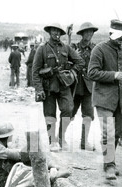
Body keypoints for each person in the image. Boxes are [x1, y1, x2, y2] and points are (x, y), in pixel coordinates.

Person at [88, 19, 122, 180]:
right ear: (111, 33)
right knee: (108, 132)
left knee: (118, 132)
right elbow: (92, 73)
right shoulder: (99, 49)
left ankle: (111, 160)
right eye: (120, 36)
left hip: (121, 99)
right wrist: (113, 75)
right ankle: (109, 165)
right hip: (104, 98)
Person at [32, 23, 84, 151]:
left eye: (58, 31)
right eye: (53, 31)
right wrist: (39, 89)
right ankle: (52, 141)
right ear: (49, 32)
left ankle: (61, 136)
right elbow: (35, 71)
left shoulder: (66, 48)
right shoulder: (42, 49)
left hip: (63, 85)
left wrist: (72, 72)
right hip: (48, 87)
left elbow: (80, 62)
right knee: (50, 114)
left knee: (69, 108)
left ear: (61, 34)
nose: (56, 33)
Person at [69, 22, 98, 151]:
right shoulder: (74, 47)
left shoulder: (95, 49)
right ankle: (58, 139)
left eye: (91, 32)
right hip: (75, 85)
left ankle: (84, 142)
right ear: (81, 34)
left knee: (88, 114)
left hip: (88, 87)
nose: (89, 34)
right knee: (69, 112)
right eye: (86, 32)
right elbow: (66, 59)